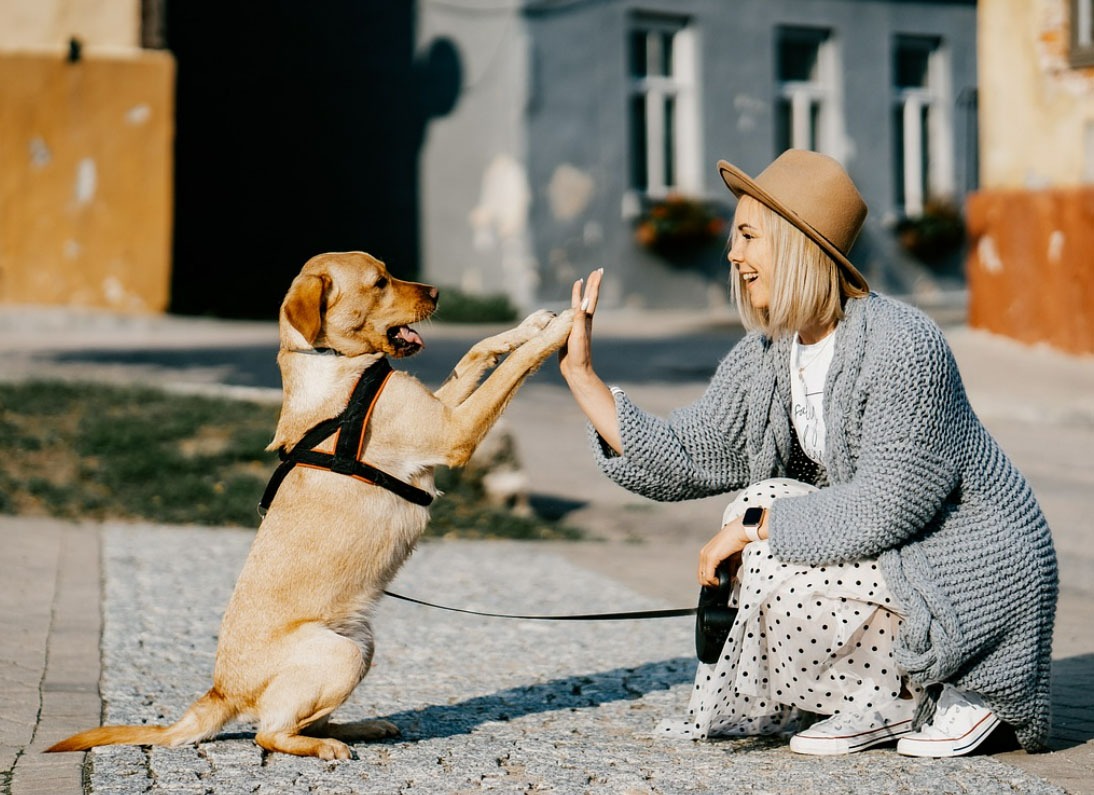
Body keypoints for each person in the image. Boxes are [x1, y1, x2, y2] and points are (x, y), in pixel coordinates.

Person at [558, 149, 1058, 757]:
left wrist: (755, 528)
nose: (733, 254)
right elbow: (688, 453)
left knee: (762, 526)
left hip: (972, 568)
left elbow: (887, 505)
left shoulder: (903, 343)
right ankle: (877, 698)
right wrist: (582, 376)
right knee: (759, 505)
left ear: (798, 243)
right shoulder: (770, 353)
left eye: (748, 236)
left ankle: (950, 688)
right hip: (896, 556)